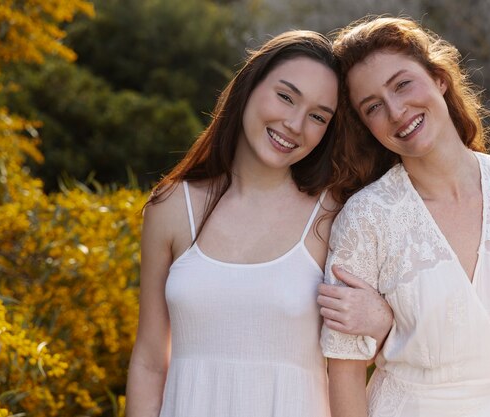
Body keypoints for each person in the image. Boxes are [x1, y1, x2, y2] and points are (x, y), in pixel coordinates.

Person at [319, 16, 490, 417]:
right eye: (373, 106)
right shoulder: (366, 218)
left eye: (402, 84)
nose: (396, 111)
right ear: (366, 126)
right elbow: (343, 370)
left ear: (439, 79)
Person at [125, 30, 393, 417]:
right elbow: (150, 361)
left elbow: (358, 359)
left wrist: (382, 319)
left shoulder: (335, 216)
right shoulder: (170, 206)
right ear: (248, 87)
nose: (295, 124)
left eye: (318, 116)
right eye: (286, 96)